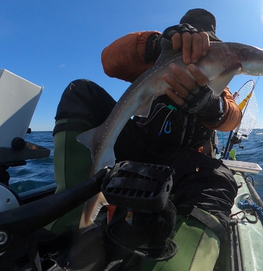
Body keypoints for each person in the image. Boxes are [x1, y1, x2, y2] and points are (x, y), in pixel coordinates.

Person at [50, 8, 242, 270]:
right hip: (139, 148)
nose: (197, 53)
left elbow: (233, 118)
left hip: (187, 160)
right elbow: (109, 60)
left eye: (207, 46)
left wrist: (211, 106)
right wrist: (154, 44)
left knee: (220, 181)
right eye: (191, 41)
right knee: (81, 91)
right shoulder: (157, 58)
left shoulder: (221, 77)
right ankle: (68, 220)